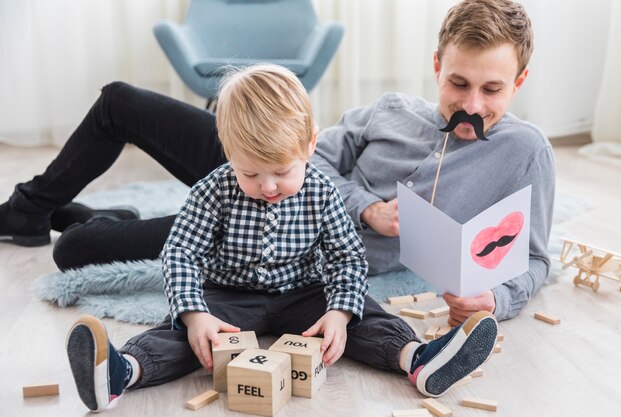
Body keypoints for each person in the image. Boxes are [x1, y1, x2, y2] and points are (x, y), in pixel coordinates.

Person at [0, 0, 554, 324]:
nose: (472, 105)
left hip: (277, 234)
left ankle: (105, 219)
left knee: (75, 249)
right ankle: (27, 208)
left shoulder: (524, 153)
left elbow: (534, 260)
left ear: (520, 83)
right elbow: (311, 162)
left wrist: (495, 299)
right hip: (269, 163)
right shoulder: (389, 110)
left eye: (492, 89)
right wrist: (366, 207)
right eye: (458, 83)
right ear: (437, 65)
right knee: (120, 99)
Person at [65, 64, 498, 412]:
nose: (268, 187)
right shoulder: (213, 189)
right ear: (228, 150)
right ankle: (123, 371)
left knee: (367, 315)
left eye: (283, 172)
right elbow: (181, 253)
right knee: (184, 335)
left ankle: (418, 360)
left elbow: (347, 259)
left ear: (310, 146)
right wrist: (194, 313)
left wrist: (341, 314)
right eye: (250, 173)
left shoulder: (322, 190)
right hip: (230, 296)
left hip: (304, 294)